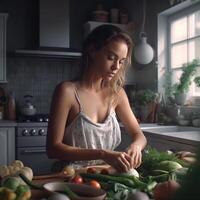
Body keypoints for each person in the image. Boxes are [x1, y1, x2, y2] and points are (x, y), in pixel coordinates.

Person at [46, 24, 147, 173]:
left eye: (121, 61)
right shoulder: (67, 91)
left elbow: (139, 135)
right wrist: (103, 154)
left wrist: (136, 146)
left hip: (107, 175)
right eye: (111, 58)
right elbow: (53, 149)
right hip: (72, 177)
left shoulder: (117, 94)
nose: (116, 67)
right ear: (92, 51)